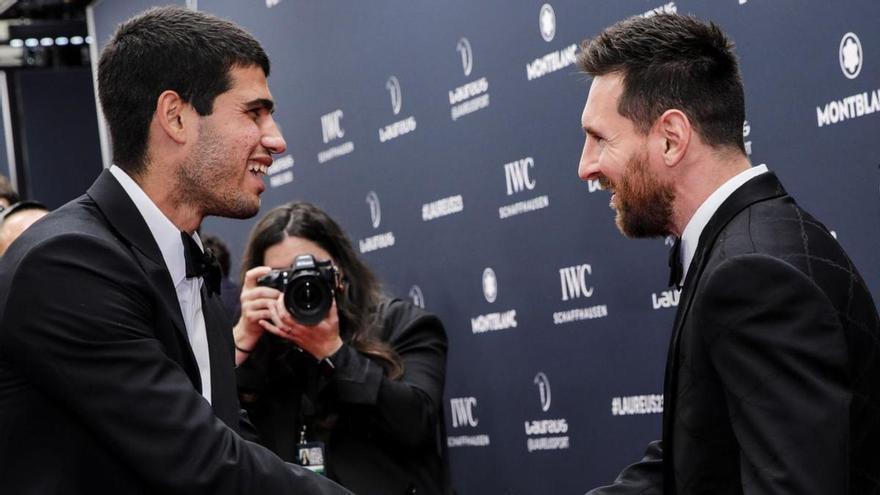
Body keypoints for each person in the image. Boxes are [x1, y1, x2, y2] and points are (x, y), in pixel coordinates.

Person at [0, 7, 349, 494]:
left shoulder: (187, 262)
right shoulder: (67, 264)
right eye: (254, 112)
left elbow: (225, 433)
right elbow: (200, 460)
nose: (277, 140)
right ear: (176, 116)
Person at [577, 13, 880, 494]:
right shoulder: (745, 243)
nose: (585, 167)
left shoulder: (754, 275)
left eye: (599, 139)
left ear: (671, 138)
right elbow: (704, 454)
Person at [233, 201, 452, 495]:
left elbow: (416, 424)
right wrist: (240, 342)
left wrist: (333, 352)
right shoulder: (263, 346)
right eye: (283, 277)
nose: (303, 285)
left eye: (311, 270)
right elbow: (212, 433)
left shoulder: (402, 325)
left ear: (340, 271)